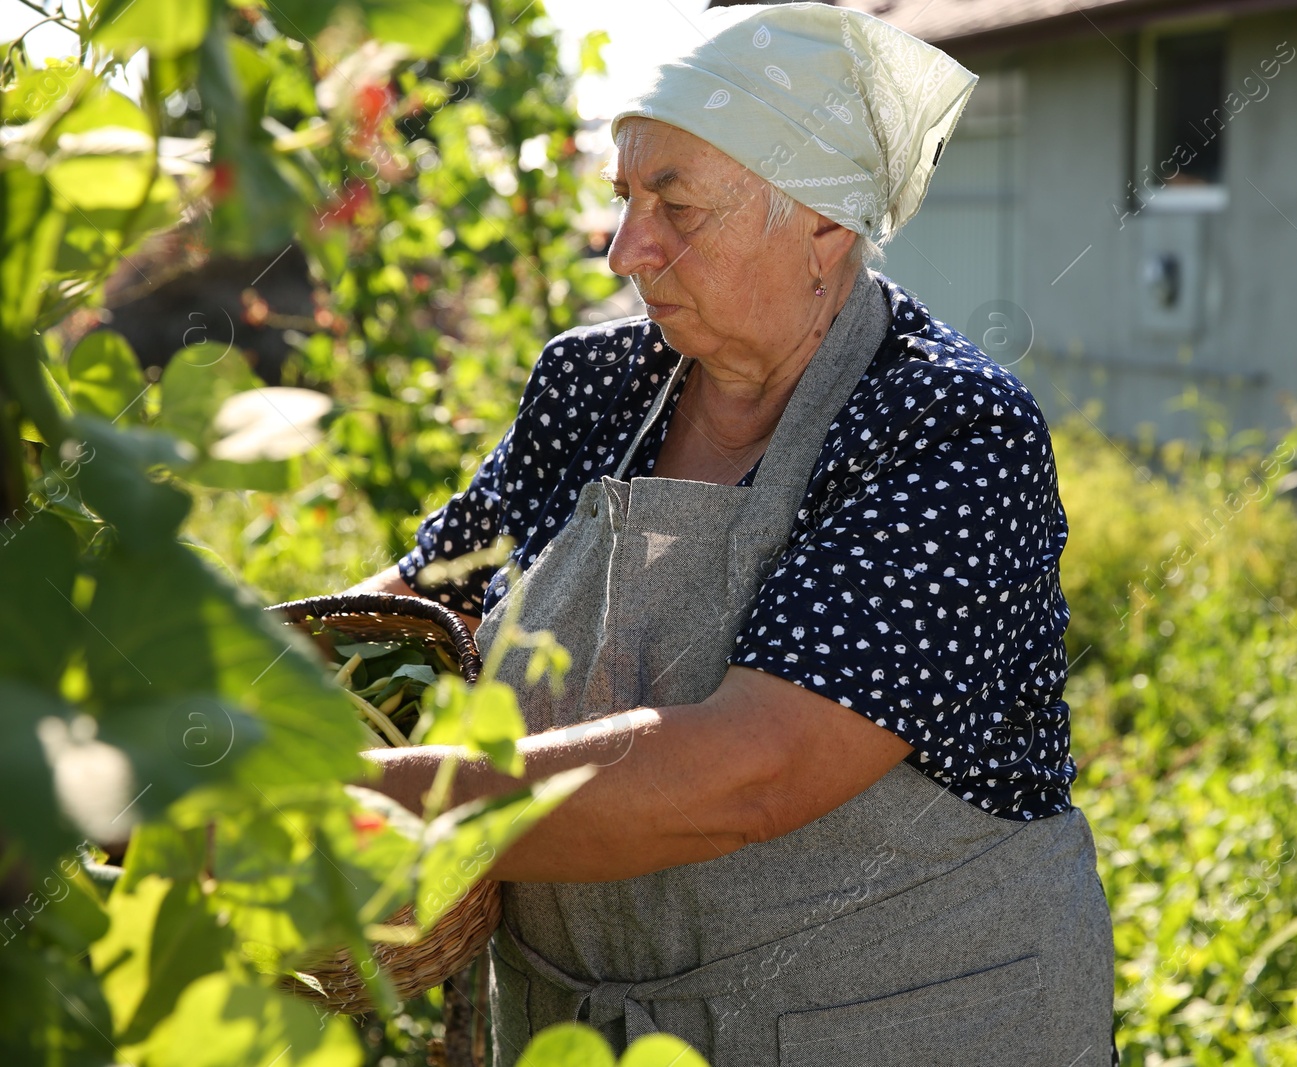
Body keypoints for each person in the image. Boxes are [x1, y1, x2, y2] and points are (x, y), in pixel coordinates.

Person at [351, 4, 1115, 1063]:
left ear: (824, 225)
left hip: (905, 1020)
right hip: (583, 1029)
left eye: (675, 205)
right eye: (624, 199)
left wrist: (371, 802)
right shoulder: (593, 390)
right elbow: (422, 606)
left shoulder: (942, 428)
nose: (627, 250)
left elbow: (758, 766)